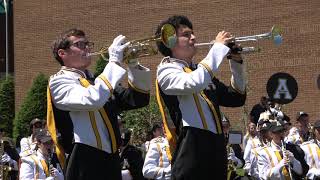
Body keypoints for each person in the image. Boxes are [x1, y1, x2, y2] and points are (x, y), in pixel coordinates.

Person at [47, 28, 151, 180]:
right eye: (80, 45)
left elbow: (137, 99)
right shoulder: (58, 81)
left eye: (88, 44)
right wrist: (114, 61)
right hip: (84, 159)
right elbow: (92, 99)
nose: (87, 48)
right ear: (62, 53)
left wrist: (133, 64)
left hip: (111, 159)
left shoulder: (97, 81)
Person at [155, 15, 246, 179]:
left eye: (192, 33)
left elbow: (236, 97)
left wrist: (236, 62)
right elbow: (193, 82)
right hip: (190, 150)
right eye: (186, 34)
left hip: (215, 148)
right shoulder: (166, 70)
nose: (193, 38)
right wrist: (217, 49)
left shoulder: (201, 72)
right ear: (169, 41)